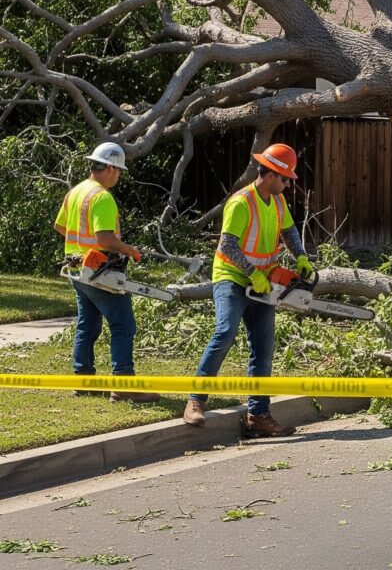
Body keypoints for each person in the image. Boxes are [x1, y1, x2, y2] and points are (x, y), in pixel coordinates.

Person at [183, 143, 315, 438]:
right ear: (270, 175)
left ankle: (259, 415)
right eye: (284, 179)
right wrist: (252, 273)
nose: (287, 184)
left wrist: (301, 256)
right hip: (232, 277)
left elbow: (290, 232)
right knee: (225, 332)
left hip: (264, 282)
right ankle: (195, 400)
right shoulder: (241, 202)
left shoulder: (278, 203)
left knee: (263, 348)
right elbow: (228, 245)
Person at [54, 142, 158, 403]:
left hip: (79, 270)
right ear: (110, 168)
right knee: (123, 325)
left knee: (87, 325)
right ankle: (123, 384)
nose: (119, 176)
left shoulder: (76, 192)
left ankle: (84, 380)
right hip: (100, 272)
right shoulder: (102, 197)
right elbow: (104, 239)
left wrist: (80, 248)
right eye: (119, 171)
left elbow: (60, 227)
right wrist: (129, 250)